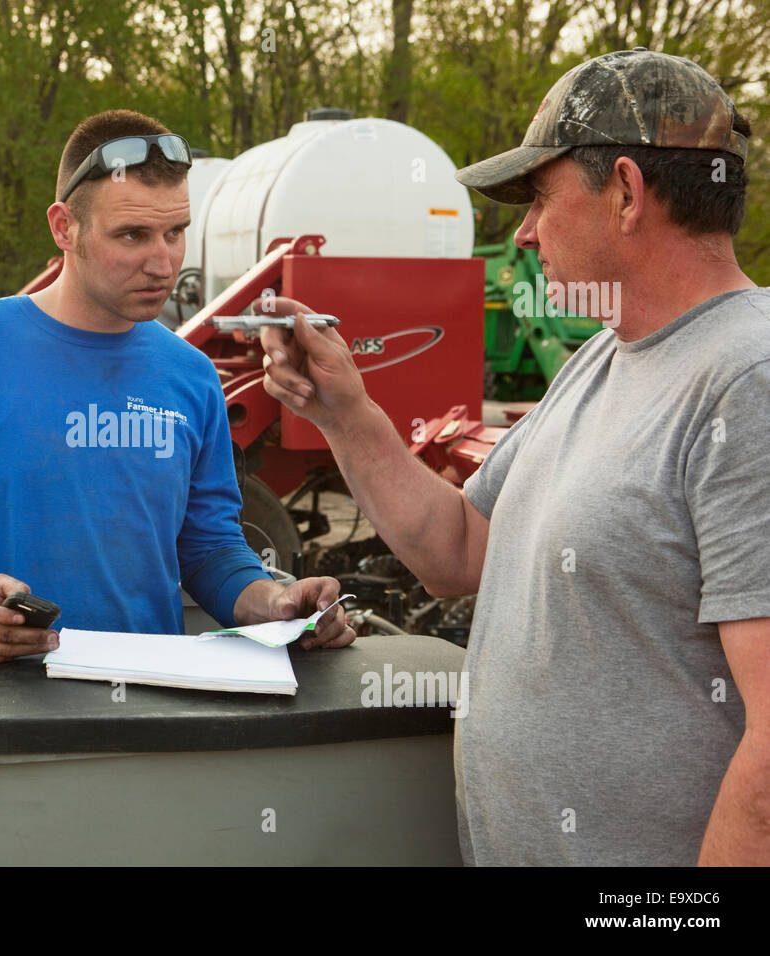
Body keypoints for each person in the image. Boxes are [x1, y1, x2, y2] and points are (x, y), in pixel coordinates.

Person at [257, 49, 769, 865]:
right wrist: (345, 415)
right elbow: (458, 552)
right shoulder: (603, 358)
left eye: (538, 199)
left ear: (627, 194)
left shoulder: (749, 382)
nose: (523, 234)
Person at [0, 109, 356, 666]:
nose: (163, 263)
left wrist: (278, 604)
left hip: (147, 711)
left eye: (176, 232)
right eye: (132, 236)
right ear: (63, 226)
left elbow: (210, 551)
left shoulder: (191, 377)